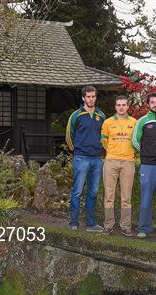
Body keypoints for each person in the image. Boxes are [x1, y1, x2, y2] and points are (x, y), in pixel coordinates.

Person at [65, 85, 106, 232]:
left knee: (93, 192)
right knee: (77, 191)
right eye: (88, 96)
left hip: (96, 159)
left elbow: (104, 137)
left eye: (93, 96)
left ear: (96, 97)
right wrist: (76, 151)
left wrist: (102, 153)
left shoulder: (101, 115)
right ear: (83, 98)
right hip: (81, 158)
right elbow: (69, 135)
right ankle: (74, 222)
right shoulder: (76, 115)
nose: (91, 99)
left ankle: (91, 224)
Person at [132, 93, 156, 238]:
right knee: (146, 198)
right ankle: (143, 228)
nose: (155, 104)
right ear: (148, 104)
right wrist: (146, 153)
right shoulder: (142, 121)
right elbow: (135, 141)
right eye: (152, 102)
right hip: (147, 166)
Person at [101, 95, 137, 237]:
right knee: (109, 196)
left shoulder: (134, 122)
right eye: (118, 105)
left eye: (124, 105)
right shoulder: (108, 122)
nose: (121, 107)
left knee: (126, 197)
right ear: (115, 107)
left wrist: (132, 152)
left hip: (128, 162)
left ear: (128, 106)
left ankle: (126, 226)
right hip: (111, 162)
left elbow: (137, 141)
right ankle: (108, 225)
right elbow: (104, 140)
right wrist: (112, 151)